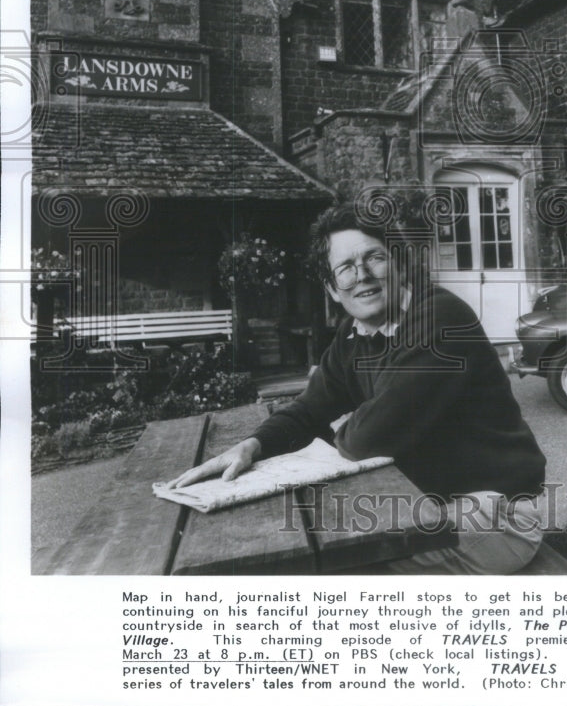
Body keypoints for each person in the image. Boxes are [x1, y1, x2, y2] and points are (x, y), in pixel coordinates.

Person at [168, 202, 546, 574]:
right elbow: (309, 410)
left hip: (496, 515)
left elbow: (369, 439)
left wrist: (348, 425)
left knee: (320, 564)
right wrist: (253, 444)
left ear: (399, 264)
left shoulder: (440, 319)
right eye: (345, 268)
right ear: (333, 289)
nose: (362, 275)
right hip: (433, 505)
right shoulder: (354, 335)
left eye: (374, 258)